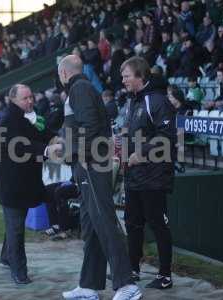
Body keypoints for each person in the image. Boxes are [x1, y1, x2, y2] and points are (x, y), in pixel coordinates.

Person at [58, 55, 142, 300]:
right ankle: (89, 285)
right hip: (89, 164)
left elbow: (91, 124)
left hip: (92, 164)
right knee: (91, 225)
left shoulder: (79, 88)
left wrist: (83, 154)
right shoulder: (82, 88)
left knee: (104, 222)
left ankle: (127, 285)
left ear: (64, 73)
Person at [0, 84, 61, 285]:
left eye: (31, 97)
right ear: (12, 100)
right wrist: (47, 150)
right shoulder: (8, 121)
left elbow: (43, 134)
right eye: (25, 98)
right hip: (12, 184)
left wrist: (57, 139)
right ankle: (19, 271)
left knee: (15, 224)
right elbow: (22, 145)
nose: (30, 101)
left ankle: (7, 257)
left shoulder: (30, 117)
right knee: (16, 228)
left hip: (26, 183)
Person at [121, 56, 176, 290]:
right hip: (134, 177)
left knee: (158, 225)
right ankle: (133, 270)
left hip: (153, 177)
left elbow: (166, 138)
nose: (123, 80)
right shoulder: (132, 101)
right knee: (132, 224)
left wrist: (139, 153)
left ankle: (165, 276)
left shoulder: (158, 101)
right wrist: (122, 151)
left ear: (140, 77)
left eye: (126, 76)